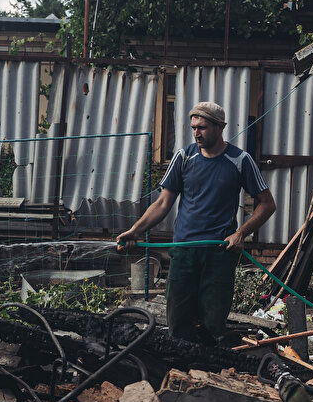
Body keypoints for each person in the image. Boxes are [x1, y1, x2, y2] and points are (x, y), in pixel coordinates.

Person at [117, 102, 276, 345]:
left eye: (201, 127)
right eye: (193, 127)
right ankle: (179, 370)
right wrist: (135, 231)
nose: (196, 133)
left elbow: (267, 204)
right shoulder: (184, 157)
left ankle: (211, 371)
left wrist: (240, 233)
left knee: (213, 323)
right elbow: (162, 204)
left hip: (219, 253)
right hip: (184, 252)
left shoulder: (240, 160)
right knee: (178, 322)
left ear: (219, 127)